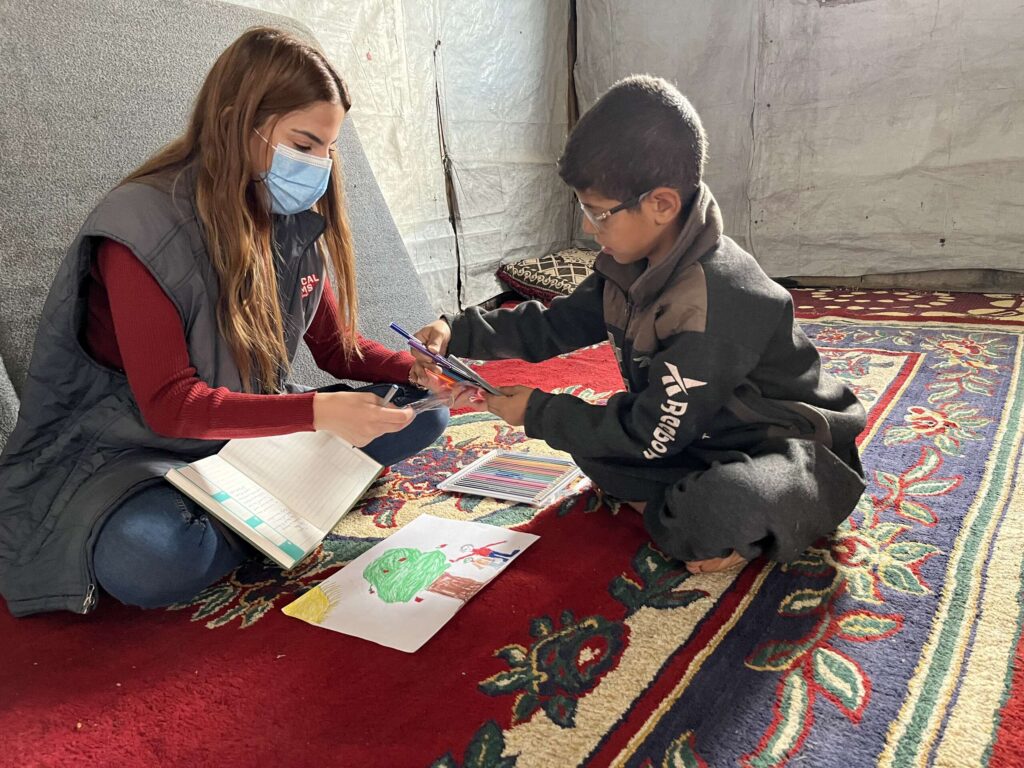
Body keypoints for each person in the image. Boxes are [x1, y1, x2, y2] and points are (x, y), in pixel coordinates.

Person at [0, 27, 447, 617]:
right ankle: (294, 503)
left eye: (328, 149)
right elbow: (171, 406)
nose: (320, 167)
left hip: (247, 431)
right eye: (304, 144)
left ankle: (271, 506)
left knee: (424, 411)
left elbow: (336, 349)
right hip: (134, 449)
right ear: (240, 122)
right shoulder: (142, 225)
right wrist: (316, 414)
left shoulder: (287, 214)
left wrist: (420, 366)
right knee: (149, 558)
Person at [412, 75, 867, 575]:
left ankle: (738, 516)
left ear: (662, 204)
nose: (588, 227)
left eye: (599, 212)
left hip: (788, 450)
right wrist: (455, 330)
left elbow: (653, 433)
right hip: (700, 431)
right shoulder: (629, 262)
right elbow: (555, 325)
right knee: (590, 443)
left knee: (708, 506)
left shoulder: (715, 301)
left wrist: (539, 412)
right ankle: (683, 510)